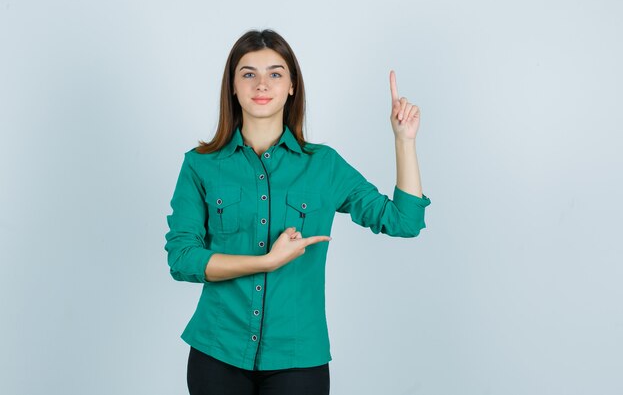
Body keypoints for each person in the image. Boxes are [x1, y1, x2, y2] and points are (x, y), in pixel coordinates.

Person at [164, 29, 431, 395]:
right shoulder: (200, 166)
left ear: (292, 86)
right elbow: (182, 259)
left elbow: (405, 221)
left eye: (275, 73)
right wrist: (265, 262)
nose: (261, 84)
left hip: (298, 359)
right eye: (248, 73)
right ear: (232, 86)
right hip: (216, 351)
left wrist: (404, 141)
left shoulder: (324, 166)